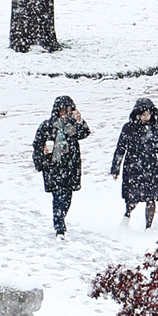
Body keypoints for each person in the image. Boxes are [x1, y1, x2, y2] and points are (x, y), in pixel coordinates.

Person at [32, 95, 90, 238]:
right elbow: (38, 144)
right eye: (62, 110)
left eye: (68, 110)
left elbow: (85, 132)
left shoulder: (73, 127)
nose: (65, 114)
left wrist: (79, 120)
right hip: (53, 167)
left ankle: (61, 219)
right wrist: (40, 161)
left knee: (67, 197)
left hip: (71, 167)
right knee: (57, 197)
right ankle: (59, 227)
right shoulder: (47, 126)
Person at [111, 97, 158, 230]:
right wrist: (116, 168)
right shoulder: (128, 128)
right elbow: (120, 148)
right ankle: (127, 216)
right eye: (143, 114)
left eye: (148, 114)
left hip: (151, 165)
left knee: (152, 197)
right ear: (137, 114)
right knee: (133, 197)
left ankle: (148, 227)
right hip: (133, 166)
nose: (146, 117)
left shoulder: (153, 128)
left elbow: (157, 147)